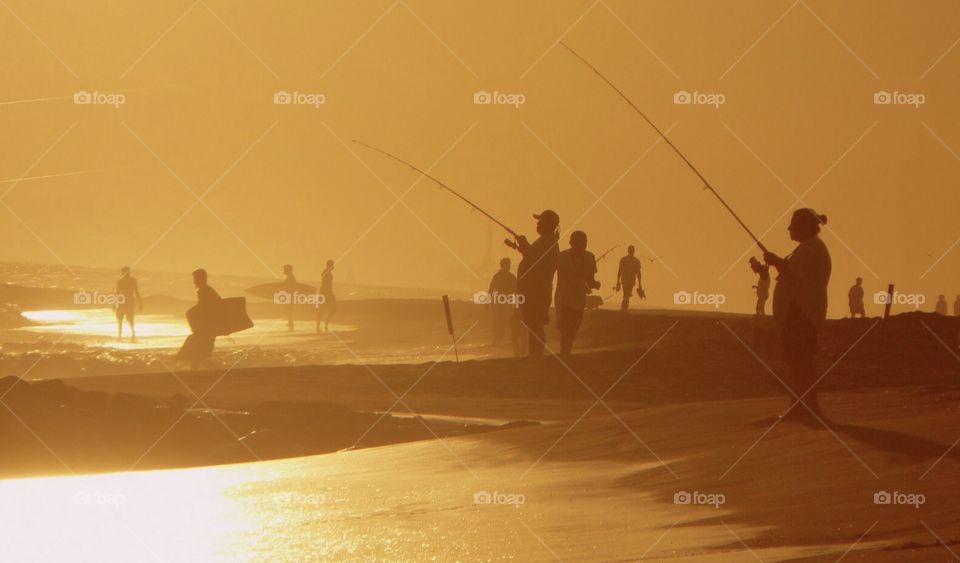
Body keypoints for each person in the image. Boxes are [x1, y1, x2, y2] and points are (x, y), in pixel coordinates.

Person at [763, 208, 832, 423]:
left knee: (801, 360)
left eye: (793, 225)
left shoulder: (813, 249)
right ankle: (801, 405)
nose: (789, 229)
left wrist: (775, 261)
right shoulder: (807, 248)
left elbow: (794, 272)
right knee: (797, 360)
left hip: (803, 313)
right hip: (799, 313)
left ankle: (806, 406)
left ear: (805, 226)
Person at [511, 209, 560, 357]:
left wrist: (524, 244)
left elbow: (535, 260)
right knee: (533, 324)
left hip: (536, 292)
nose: (538, 224)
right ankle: (534, 355)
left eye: (541, 221)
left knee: (535, 324)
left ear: (549, 224)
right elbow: (534, 257)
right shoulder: (546, 241)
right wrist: (523, 246)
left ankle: (535, 355)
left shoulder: (548, 241)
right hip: (534, 291)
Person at [555, 231, 600, 355]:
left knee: (572, 332)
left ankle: (565, 354)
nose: (581, 246)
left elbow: (590, 280)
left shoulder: (590, 257)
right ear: (571, 243)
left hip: (579, 301)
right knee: (565, 331)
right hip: (563, 299)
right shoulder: (561, 257)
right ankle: (564, 356)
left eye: (583, 243)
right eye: (578, 243)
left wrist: (595, 284)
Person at [178, 268, 222, 369]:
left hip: (207, 329)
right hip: (209, 328)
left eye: (195, 279)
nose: (194, 282)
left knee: (198, 354)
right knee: (198, 355)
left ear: (201, 279)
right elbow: (215, 305)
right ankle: (212, 372)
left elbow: (204, 309)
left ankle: (216, 372)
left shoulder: (203, 290)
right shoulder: (207, 290)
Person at [487, 257, 518, 347]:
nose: (508, 266)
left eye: (509, 264)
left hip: (506, 303)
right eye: (506, 264)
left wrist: (517, 305)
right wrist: (487, 302)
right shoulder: (497, 276)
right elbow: (491, 289)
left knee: (503, 322)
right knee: (497, 322)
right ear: (502, 265)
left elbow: (516, 292)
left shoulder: (512, 277)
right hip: (498, 303)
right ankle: (495, 341)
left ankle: (498, 341)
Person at [115, 266, 142, 342]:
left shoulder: (121, 280)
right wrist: (140, 303)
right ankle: (130, 335)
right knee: (128, 319)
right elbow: (136, 292)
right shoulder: (131, 280)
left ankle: (123, 336)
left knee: (123, 319)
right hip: (128, 300)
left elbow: (117, 293)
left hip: (123, 300)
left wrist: (115, 304)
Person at [615, 246, 644, 313]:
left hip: (631, 281)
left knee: (627, 295)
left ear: (634, 251)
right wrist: (618, 281)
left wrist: (640, 283)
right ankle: (624, 309)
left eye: (632, 250)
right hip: (624, 280)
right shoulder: (623, 260)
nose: (631, 252)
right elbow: (620, 271)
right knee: (626, 294)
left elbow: (638, 273)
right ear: (628, 251)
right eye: (630, 250)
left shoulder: (636, 261)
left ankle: (624, 309)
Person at [317, 260, 336, 332]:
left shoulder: (326, 272)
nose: (333, 267)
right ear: (329, 265)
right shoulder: (327, 273)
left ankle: (321, 324)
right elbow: (327, 285)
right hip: (326, 293)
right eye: (332, 265)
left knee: (321, 309)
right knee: (332, 308)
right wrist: (330, 294)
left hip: (324, 292)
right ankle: (324, 324)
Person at [282, 264, 297, 331]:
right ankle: (290, 321)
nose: (283, 270)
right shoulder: (290, 277)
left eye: (285, 269)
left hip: (290, 295)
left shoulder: (291, 277)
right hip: (289, 295)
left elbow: (293, 286)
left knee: (289, 308)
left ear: (288, 270)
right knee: (289, 309)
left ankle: (290, 322)